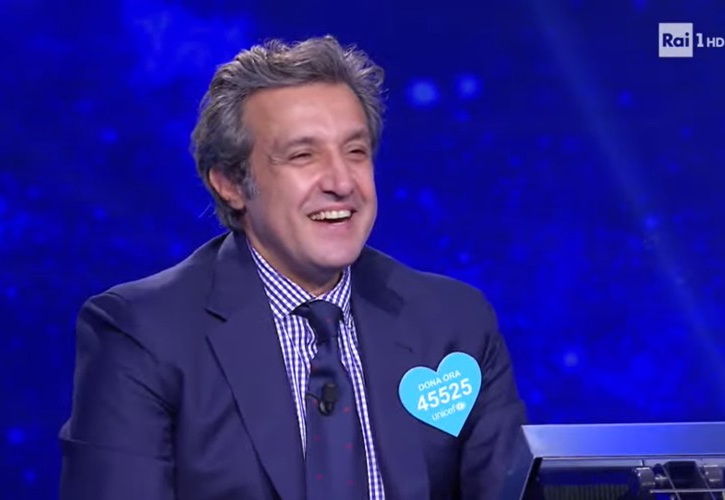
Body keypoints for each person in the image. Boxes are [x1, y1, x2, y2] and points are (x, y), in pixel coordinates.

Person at [59, 35, 527, 499]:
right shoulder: (142, 334)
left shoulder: (454, 323)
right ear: (230, 183)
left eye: (356, 152)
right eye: (303, 155)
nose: (342, 182)